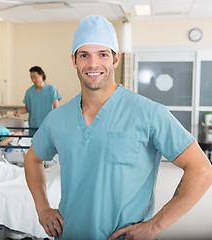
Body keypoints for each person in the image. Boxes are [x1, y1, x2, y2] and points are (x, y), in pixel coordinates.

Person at [24, 15, 212, 240]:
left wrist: (155, 226)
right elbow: (32, 159)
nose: (93, 64)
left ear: (115, 59)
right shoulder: (58, 118)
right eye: (84, 55)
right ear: (74, 60)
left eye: (102, 54)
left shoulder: (149, 113)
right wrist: (43, 208)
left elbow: (201, 169)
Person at [13, 66, 61, 132]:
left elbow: (56, 108)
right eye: (31, 78)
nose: (33, 80)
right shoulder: (29, 92)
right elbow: (27, 108)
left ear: (41, 75)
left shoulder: (51, 90)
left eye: (35, 77)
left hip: (48, 126)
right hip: (33, 127)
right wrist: (19, 112)